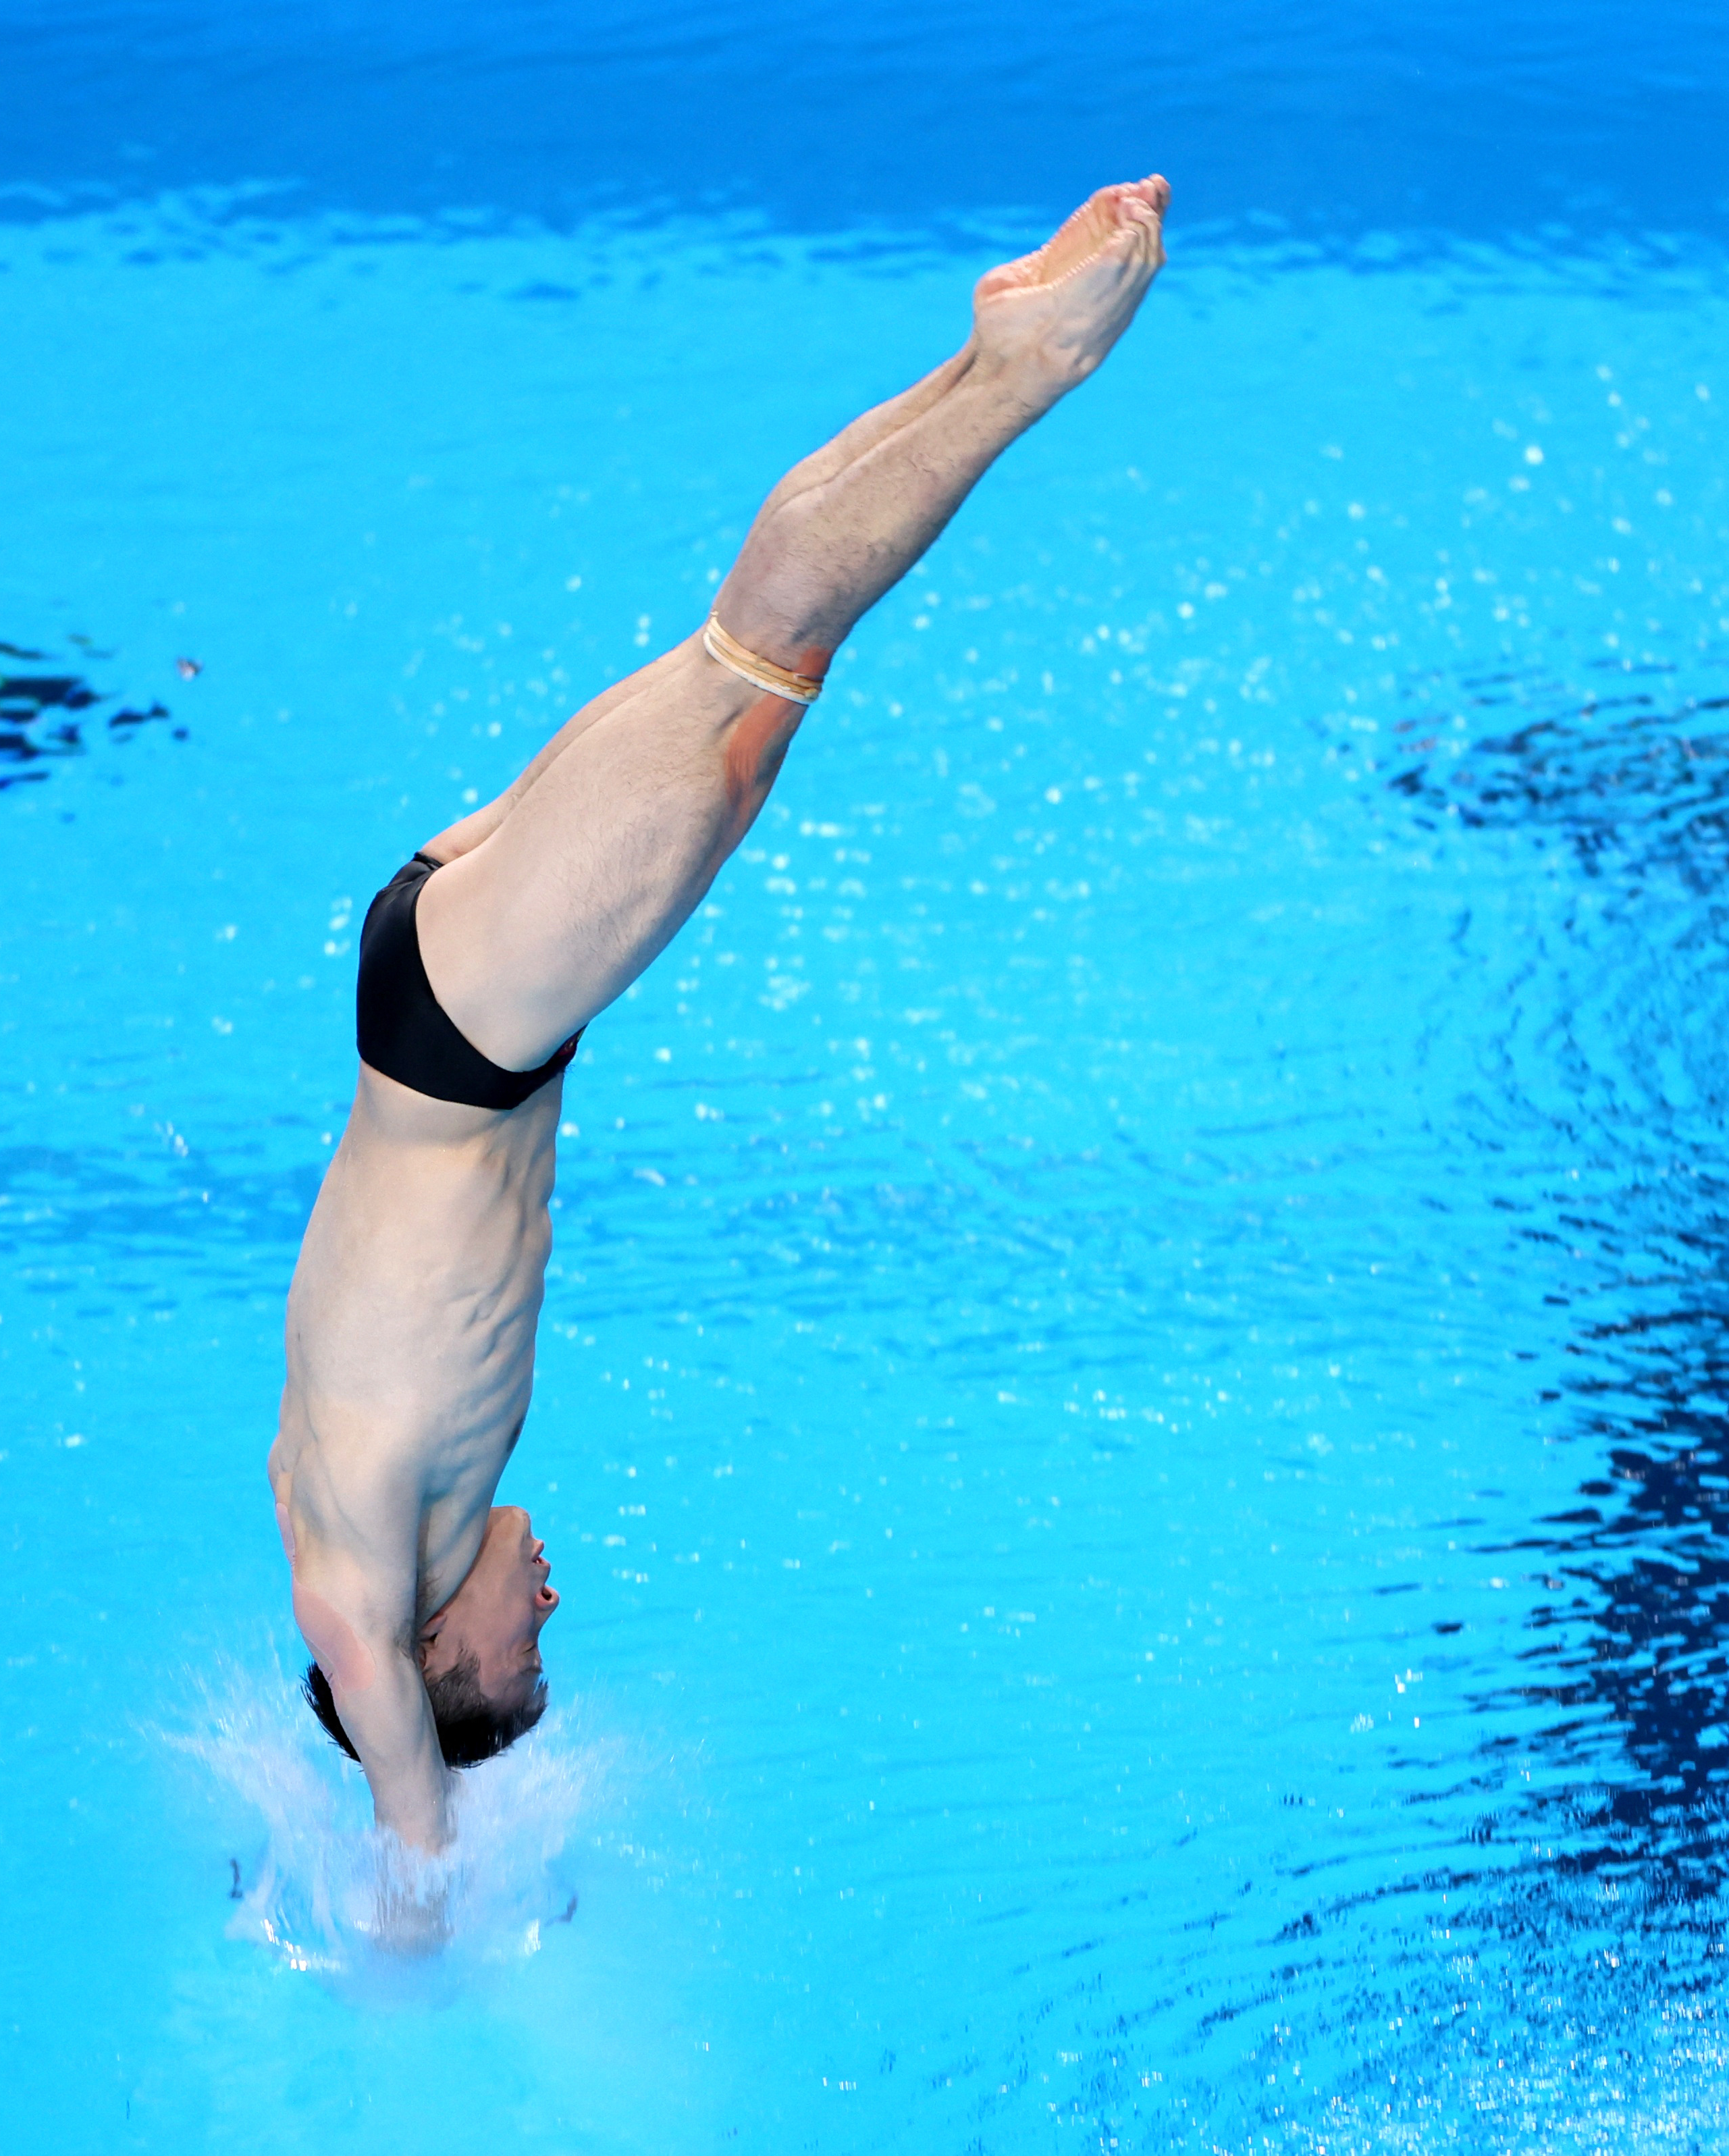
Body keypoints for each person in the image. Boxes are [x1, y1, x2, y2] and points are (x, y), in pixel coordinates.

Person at [271, 176, 1169, 1858]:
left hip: (469, 1033)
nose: (549, 1604)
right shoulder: (378, 1515)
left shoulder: (356, 1560)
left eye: (526, 1653)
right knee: (743, 688)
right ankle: (990, 357)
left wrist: (416, 1911)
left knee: (760, 659)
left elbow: (390, 1757)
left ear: (426, 1658)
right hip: (463, 1013)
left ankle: (1023, 363)